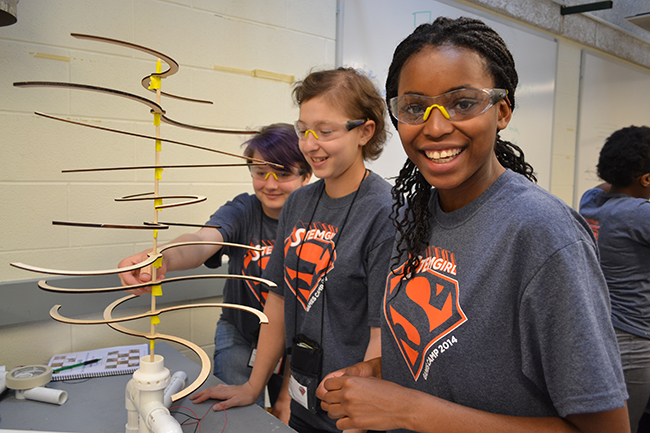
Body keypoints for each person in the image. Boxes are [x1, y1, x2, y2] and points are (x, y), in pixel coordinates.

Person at [316, 16, 630, 433]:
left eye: (462, 103)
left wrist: (409, 410)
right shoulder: (413, 216)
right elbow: (454, 362)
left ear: (501, 111)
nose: (436, 126)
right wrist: (381, 374)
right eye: (414, 107)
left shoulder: (542, 232)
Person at [190, 67, 395, 433]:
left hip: (351, 411)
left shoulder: (384, 211)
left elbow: (382, 335)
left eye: (326, 131)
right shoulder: (300, 203)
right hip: (304, 399)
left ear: (365, 131)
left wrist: (358, 420)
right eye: (304, 130)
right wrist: (254, 387)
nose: (310, 144)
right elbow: (280, 300)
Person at [118, 123, 312, 420]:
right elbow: (200, 242)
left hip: (294, 345)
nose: (270, 184)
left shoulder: (316, 221)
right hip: (241, 333)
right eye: (261, 173)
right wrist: (160, 258)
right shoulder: (243, 210)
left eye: (283, 174)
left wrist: (286, 395)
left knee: (290, 416)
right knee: (234, 417)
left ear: (305, 175)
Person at [579, 125, 650, 433]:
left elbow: (608, 187)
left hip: (604, 334)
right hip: (636, 344)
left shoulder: (592, 202)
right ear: (646, 180)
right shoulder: (639, 214)